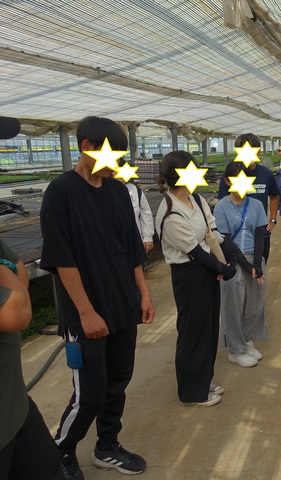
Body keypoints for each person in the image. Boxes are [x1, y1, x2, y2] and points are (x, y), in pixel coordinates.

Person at [40, 116, 155, 480]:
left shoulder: (118, 191)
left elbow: (132, 249)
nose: (115, 164)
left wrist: (144, 294)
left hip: (123, 306)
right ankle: (61, 450)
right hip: (86, 313)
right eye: (111, 155)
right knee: (89, 393)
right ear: (86, 147)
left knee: (117, 384)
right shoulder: (61, 192)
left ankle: (107, 446)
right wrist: (86, 312)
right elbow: (62, 259)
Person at [0, 116, 64, 480]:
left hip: (13, 406)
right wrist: (12, 279)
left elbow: (19, 270)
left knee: (46, 467)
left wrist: (13, 279)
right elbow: (16, 311)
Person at [155, 151, 236, 406]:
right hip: (188, 275)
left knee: (209, 328)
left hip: (206, 270)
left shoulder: (196, 199)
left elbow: (213, 233)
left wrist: (230, 256)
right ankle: (192, 392)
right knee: (193, 332)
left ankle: (204, 380)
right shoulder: (170, 212)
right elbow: (195, 252)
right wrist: (223, 268)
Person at [214, 162, 268, 368]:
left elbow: (260, 234)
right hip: (233, 260)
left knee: (254, 304)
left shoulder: (256, 205)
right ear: (228, 182)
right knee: (233, 305)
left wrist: (258, 264)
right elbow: (225, 240)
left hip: (254, 258)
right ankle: (236, 350)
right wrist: (246, 265)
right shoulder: (221, 207)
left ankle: (247, 341)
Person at [217, 134, 278, 263]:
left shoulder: (265, 174)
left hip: (260, 233)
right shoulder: (230, 176)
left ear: (258, 152)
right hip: (236, 236)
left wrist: (273, 220)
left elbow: (274, 196)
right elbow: (223, 203)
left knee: (259, 266)